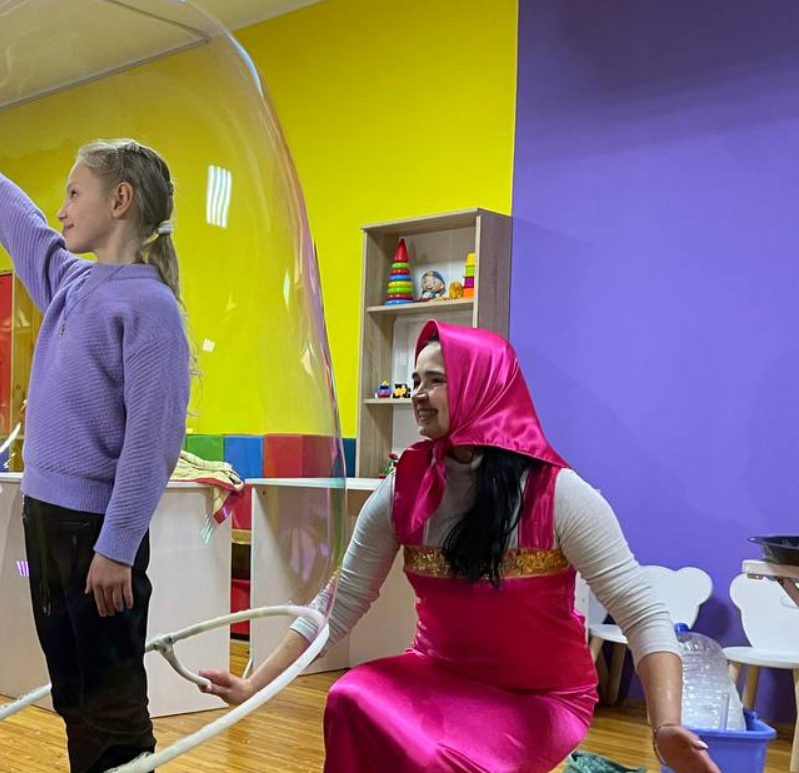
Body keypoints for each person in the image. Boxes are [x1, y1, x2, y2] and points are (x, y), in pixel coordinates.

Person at [197, 321, 721, 773]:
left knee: (432, 756)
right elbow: (337, 604)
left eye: (436, 381)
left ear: (482, 386)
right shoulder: (403, 488)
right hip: (438, 673)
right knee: (348, 697)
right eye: (414, 381)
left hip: (541, 697)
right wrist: (255, 684)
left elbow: (643, 613)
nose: (417, 394)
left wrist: (665, 726)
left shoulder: (558, 493)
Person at [0, 112, 190, 773]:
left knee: (111, 703)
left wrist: (117, 546)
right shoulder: (72, 284)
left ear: (119, 200)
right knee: (73, 692)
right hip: (45, 518)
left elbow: (153, 441)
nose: (62, 208)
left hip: (96, 534)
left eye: (75, 193)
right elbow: (24, 224)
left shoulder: (151, 307)